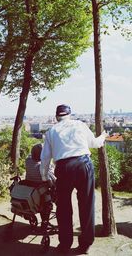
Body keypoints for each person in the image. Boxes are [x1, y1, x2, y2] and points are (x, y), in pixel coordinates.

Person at [40, 104, 107, 254]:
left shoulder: (51, 132)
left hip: (63, 169)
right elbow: (95, 144)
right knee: (87, 204)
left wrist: (45, 177)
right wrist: (103, 136)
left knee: (63, 208)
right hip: (84, 164)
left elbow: (45, 159)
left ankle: (65, 244)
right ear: (69, 115)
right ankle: (86, 244)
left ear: (56, 117)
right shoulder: (80, 125)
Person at [25, 143, 56, 229]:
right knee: (52, 195)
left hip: (30, 189)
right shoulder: (44, 165)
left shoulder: (28, 161)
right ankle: (45, 222)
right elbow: (52, 180)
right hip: (41, 192)